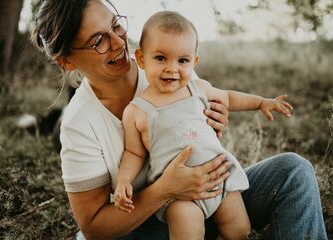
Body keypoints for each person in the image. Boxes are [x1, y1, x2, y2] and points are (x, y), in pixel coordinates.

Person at [31, 0, 328, 239]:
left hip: (213, 193)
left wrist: (215, 121)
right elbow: (94, 227)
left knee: (293, 171)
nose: (118, 42)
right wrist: (166, 190)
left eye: (116, 25)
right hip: (152, 223)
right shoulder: (79, 123)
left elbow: (209, 112)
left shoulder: (168, 67)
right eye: (99, 41)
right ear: (66, 60)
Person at [113, 11, 294, 240]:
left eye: (182, 60)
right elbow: (133, 153)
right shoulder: (137, 111)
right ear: (141, 58)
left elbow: (228, 97)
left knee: (239, 231)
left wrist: (260, 102)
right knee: (187, 233)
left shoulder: (198, 89)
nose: (172, 68)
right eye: (160, 58)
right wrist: (123, 181)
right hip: (179, 195)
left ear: (194, 61)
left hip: (219, 178)